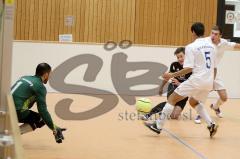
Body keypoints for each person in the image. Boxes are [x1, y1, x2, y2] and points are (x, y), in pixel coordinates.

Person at [144, 22, 218, 137]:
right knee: (193, 102)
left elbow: (188, 68)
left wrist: (171, 75)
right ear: (204, 32)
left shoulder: (191, 47)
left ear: (193, 32)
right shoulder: (212, 47)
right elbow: (214, 67)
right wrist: (212, 82)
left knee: (172, 99)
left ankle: (158, 126)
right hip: (208, 81)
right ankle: (211, 124)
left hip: (197, 80)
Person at [195, 25, 240, 124]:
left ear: (220, 35)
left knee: (224, 97)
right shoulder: (205, 41)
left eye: (215, 34)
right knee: (204, 93)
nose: (213, 36)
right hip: (204, 72)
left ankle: (215, 107)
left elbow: (237, 46)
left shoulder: (224, 43)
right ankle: (199, 114)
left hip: (215, 72)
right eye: (212, 33)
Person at [11, 63, 66, 143]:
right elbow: (43, 111)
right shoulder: (40, 87)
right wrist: (53, 127)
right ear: (46, 74)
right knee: (41, 119)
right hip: (16, 111)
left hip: (4, 106)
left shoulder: (24, 77)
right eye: (50, 74)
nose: (50, 77)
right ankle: (12, 134)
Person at [141, 47, 191, 120]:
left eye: (181, 56)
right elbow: (168, 76)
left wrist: (179, 83)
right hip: (173, 87)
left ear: (186, 56)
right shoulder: (174, 65)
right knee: (170, 103)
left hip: (184, 91)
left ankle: (165, 110)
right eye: (178, 57)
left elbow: (191, 85)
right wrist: (161, 88)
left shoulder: (191, 68)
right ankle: (149, 114)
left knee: (174, 116)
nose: (180, 59)